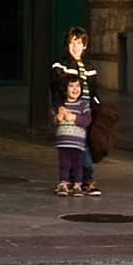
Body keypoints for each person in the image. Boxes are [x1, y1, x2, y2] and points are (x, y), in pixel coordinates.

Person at [50, 25, 102, 195]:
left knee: (86, 144)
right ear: (68, 44)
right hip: (70, 110)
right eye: (73, 43)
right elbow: (55, 89)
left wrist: (98, 107)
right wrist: (60, 108)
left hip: (86, 109)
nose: (76, 47)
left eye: (79, 43)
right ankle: (84, 180)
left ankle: (79, 179)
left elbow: (94, 91)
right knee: (76, 145)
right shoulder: (61, 64)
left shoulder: (89, 66)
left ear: (85, 45)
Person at [53, 75, 91, 196]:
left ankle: (78, 184)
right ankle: (64, 183)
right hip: (63, 142)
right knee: (64, 163)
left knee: (78, 163)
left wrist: (74, 117)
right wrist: (57, 118)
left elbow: (86, 120)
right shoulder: (61, 105)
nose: (75, 89)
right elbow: (53, 119)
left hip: (77, 142)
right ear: (65, 89)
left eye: (78, 86)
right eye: (71, 86)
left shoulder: (83, 105)